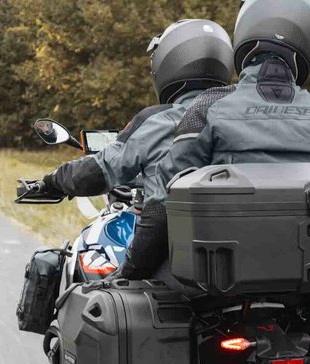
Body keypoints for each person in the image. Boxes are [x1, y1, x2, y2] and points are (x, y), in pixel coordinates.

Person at [121, 0, 310, 280]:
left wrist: (130, 271)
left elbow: (163, 201)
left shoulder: (208, 106)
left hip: (220, 284)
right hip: (308, 278)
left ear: (246, 28)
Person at [38, 19, 234, 278]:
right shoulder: (242, 116)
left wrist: (53, 181)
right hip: (238, 262)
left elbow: (101, 169)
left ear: (168, 61)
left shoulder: (158, 120)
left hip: (168, 264)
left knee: (81, 273)